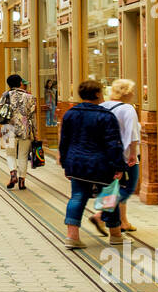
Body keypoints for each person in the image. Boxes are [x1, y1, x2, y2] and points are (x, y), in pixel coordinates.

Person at [58, 77, 127, 249]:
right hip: (102, 164)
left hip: (76, 163)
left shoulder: (70, 114)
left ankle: (72, 237)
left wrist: (66, 163)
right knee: (109, 196)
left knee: (77, 196)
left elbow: (64, 141)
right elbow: (113, 143)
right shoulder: (106, 116)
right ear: (97, 94)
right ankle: (116, 235)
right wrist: (119, 166)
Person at [101, 78, 141, 232]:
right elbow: (132, 133)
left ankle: (122, 221)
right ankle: (101, 214)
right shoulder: (128, 108)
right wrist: (133, 154)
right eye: (131, 91)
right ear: (126, 92)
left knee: (113, 188)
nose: (133, 94)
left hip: (107, 155)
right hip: (125, 155)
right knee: (128, 188)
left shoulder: (104, 106)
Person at [0, 73, 37, 189]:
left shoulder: (5, 95)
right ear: (20, 83)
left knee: (10, 154)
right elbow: (32, 117)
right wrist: (35, 132)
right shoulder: (30, 97)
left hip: (8, 128)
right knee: (23, 156)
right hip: (25, 129)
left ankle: (13, 173)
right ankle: (22, 181)